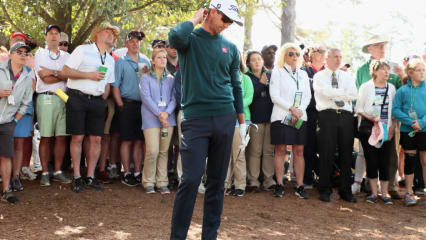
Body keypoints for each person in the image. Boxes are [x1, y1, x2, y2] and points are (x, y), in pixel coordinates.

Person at [168, 0, 245, 238]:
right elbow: (174, 37)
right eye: (225, 19)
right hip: (195, 120)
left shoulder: (231, 48)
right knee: (190, 180)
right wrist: (194, 18)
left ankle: (209, 235)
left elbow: (236, 85)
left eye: (231, 22)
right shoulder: (189, 40)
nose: (227, 25)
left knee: (216, 182)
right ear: (211, 12)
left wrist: (242, 124)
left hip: (225, 117)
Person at [61, 22, 119, 193]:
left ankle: (91, 176)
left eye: (113, 34)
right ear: (97, 34)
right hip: (77, 97)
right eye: (107, 31)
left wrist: (102, 97)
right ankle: (77, 176)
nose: (111, 35)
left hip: (97, 101)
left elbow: (108, 83)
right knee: (78, 137)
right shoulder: (82, 50)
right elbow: (65, 72)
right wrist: (89, 75)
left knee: (96, 139)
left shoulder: (110, 59)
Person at [353, 35, 402, 199]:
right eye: (379, 46)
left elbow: (396, 105)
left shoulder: (393, 76)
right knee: (368, 157)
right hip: (368, 127)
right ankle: (370, 189)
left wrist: (392, 125)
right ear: (370, 49)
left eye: (384, 46)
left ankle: (388, 190)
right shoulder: (361, 72)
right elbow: (358, 104)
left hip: (387, 127)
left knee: (387, 159)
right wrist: (369, 118)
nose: (382, 48)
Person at [314, 48, 357, 203]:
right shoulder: (319, 76)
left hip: (346, 117)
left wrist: (334, 93)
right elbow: (323, 92)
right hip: (327, 116)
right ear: (327, 59)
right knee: (326, 153)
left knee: (346, 153)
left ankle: (346, 190)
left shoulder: (347, 76)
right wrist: (341, 93)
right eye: (335, 57)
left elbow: (353, 95)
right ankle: (325, 189)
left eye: (340, 56)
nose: (338, 60)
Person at [269, 43, 311, 198]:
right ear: (284, 56)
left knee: (299, 151)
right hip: (281, 115)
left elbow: (307, 96)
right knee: (280, 149)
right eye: (291, 54)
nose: (295, 57)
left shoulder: (304, 74)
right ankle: (279, 184)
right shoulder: (277, 72)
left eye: (297, 54)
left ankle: (300, 186)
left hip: (300, 116)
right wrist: (291, 109)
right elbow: (275, 96)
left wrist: (299, 110)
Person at [34, 24, 71, 187]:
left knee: (62, 137)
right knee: (46, 137)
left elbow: (69, 77)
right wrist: (61, 74)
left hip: (63, 97)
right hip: (46, 98)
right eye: (51, 33)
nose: (54, 36)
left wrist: (53, 72)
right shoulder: (40, 53)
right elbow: (44, 78)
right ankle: (44, 172)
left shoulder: (67, 56)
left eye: (57, 33)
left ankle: (57, 171)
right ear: (45, 37)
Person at [356, 59, 397, 204]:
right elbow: (358, 109)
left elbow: (394, 112)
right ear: (374, 71)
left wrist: (391, 129)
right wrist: (371, 118)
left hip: (386, 130)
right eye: (383, 69)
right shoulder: (365, 87)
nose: (387, 72)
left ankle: (385, 194)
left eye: (388, 69)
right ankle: (373, 193)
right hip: (369, 129)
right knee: (371, 161)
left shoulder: (391, 88)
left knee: (385, 162)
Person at [112, 30, 150, 187]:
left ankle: (137, 172)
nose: (135, 43)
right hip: (126, 104)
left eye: (138, 41)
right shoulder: (121, 62)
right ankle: (126, 171)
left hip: (143, 106)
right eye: (132, 41)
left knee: (139, 141)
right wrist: (120, 104)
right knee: (127, 140)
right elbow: (115, 86)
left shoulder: (146, 62)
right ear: (126, 44)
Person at [0, 42, 34, 203]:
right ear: (11, 54)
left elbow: (26, 103)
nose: (23, 55)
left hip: (8, 122)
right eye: (19, 52)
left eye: (25, 53)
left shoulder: (28, 75)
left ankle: (6, 190)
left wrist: (14, 121)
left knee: (7, 156)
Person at [139, 48, 176, 194]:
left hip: (168, 119)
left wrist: (166, 113)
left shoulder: (171, 78)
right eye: (159, 57)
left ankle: (162, 182)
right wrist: (159, 114)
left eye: (164, 57)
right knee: (152, 151)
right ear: (153, 60)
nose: (163, 60)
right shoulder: (145, 78)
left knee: (163, 151)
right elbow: (146, 98)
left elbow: (174, 98)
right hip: (151, 119)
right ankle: (148, 181)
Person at [392, 59, 426, 206]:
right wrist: (411, 122)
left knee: (425, 162)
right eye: (419, 70)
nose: (423, 73)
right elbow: (395, 110)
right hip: (408, 131)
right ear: (411, 73)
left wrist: (422, 123)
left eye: (424, 70)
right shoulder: (402, 90)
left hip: (424, 130)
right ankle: (409, 193)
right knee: (410, 161)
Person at [245, 51, 276, 192]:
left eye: (259, 59)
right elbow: (249, 96)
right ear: (249, 63)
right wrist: (262, 85)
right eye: (253, 60)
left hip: (270, 119)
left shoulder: (270, 75)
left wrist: (266, 83)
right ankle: (253, 181)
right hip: (255, 119)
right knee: (255, 151)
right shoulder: (247, 77)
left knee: (269, 151)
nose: (257, 62)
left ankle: (269, 180)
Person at [225, 54, 253, 197]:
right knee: (224, 154)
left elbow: (248, 97)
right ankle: (225, 184)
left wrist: (237, 109)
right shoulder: (223, 76)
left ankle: (240, 185)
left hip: (241, 120)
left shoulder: (246, 78)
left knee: (238, 154)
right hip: (224, 119)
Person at [300, 45, 326, 188]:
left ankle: (324, 177)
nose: (322, 54)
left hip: (325, 113)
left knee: (324, 147)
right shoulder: (304, 70)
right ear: (311, 54)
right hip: (309, 112)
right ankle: (307, 178)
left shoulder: (328, 72)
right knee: (308, 146)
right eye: (319, 52)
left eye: (324, 52)